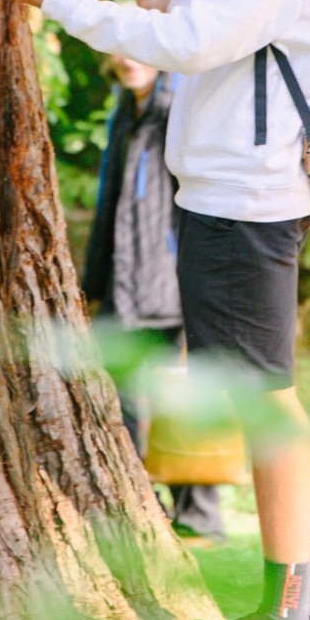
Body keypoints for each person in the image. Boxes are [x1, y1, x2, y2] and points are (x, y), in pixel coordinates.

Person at [0, 0, 310, 620]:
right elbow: (225, 30)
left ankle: (297, 608)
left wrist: (56, 2)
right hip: (217, 191)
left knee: (268, 401)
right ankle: (287, 599)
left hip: (248, 197)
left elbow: (196, 48)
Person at [82, 51, 226, 546]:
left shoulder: (174, 108)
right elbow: (112, 209)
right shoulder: (124, 110)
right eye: (118, 49)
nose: (126, 58)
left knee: (182, 396)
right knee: (109, 391)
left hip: (172, 281)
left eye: (137, 48)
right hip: (125, 286)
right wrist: (92, 286)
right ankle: (143, 500)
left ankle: (201, 517)